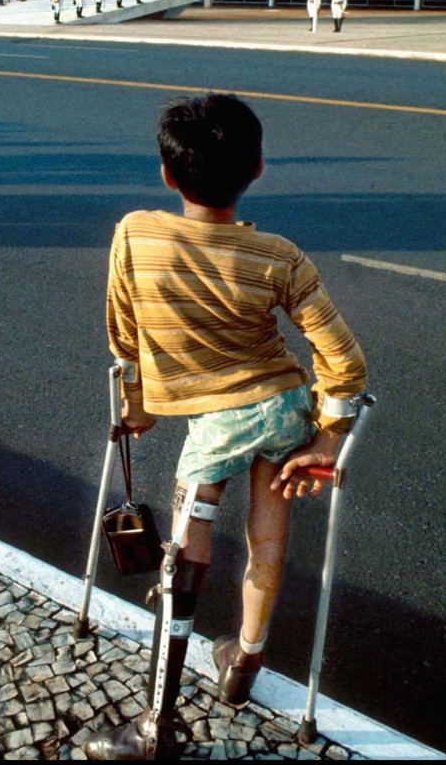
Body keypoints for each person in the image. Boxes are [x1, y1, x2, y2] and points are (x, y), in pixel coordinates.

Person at [84, 93, 367, 761]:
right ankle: (242, 663)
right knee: (268, 536)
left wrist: (139, 407)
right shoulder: (281, 256)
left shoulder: (135, 234)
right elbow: (344, 359)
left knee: (189, 533)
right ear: (259, 168)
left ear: (167, 174)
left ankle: (158, 723)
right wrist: (327, 434)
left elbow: (123, 338)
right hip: (283, 405)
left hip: (216, 422)